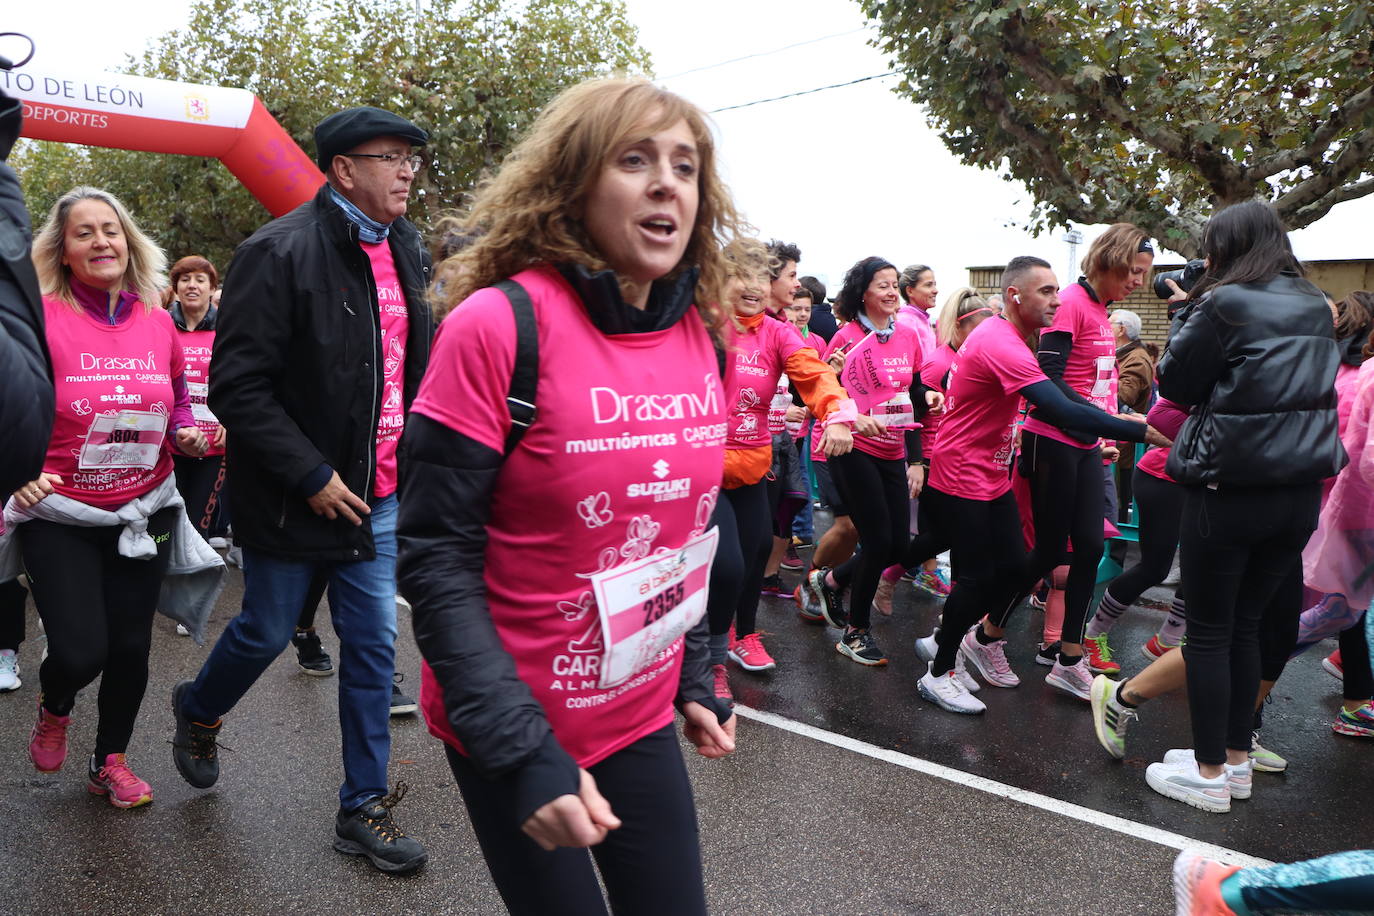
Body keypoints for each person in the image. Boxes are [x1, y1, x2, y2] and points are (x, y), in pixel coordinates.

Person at [397, 78, 739, 915]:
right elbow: (436, 558)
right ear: (574, 186)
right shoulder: (497, 326)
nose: (668, 184)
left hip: (639, 708)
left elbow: (675, 533)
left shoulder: (704, 336)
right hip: (513, 720)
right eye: (636, 160)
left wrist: (692, 671)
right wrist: (519, 752)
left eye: (686, 167)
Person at [170, 106, 432, 872]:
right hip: (295, 495)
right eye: (391, 157)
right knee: (265, 629)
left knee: (374, 646)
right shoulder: (275, 251)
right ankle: (199, 708)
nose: (408, 170)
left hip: (378, 497)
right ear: (344, 169)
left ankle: (363, 808)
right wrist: (311, 473)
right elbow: (238, 386)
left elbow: (411, 366)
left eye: (413, 157)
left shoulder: (408, 247)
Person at [7, 186, 210, 808]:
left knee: (129, 646)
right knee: (81, 649)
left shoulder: (156, 317)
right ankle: (56, 700)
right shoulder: (38, 317)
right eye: (84, 233)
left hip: (142, 509)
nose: (101, 241)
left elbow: (175, 397)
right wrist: (15, 471)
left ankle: (109, 761)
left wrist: (187, 431)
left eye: (111, 229)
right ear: (62, 251)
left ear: (128, 240)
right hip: (60, 510)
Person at [1143, 200, 1344, 814]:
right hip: (1299, 491)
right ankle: (1234, 762)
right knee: (1249, 626)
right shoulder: (1315, 303)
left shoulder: (1223, 302)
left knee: (1208, 631)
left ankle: (1207, 772)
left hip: (1228, 486)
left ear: (1224, 247)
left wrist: (1185, 309)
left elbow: (1174, 383)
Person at [910, 256, 1164, 714]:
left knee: (1012, 570)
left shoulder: (1018, 337)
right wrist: (1139, 430)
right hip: (961, 472)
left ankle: (947, 643)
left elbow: (1065, 396)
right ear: (1015, 296)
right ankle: (939, 668)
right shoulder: (999, 341)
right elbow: (1060, 409)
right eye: (1045, 291)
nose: (1056, 298)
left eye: (1055, 289)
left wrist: (1112, 425)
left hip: (991, 472)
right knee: (977, 577)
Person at [981, 224, 1156, 695]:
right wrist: (1109, 425)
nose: (1139, 282)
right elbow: (1049, 379)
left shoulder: (1101, 311)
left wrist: (1106, 421)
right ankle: (985, 634)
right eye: (1134, 273)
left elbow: (1092, 387)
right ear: (1111, 262)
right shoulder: (1073, 304)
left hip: (1084, 445)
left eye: (1144, 275)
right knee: (1050, 554)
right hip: (1051, 441)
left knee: (1090, 552)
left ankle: (1069, 658)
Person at [708, 238, 855, 693]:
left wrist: (838, 415)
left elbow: (813, 374)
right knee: (727, 564)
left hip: (753, 465)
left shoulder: (776, 332)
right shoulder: (702, 325)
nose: (751, 287)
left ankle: (744, 634)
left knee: (755, 556)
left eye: (759, 277)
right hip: (702, 468)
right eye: (740, 276)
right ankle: (709, 659)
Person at [807, 257, 941, 666]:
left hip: (893, 449)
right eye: (880, 285)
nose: (889, 292)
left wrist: (926, 402)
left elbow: (911, 391)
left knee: (900, 545)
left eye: (892, 285)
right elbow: (822, 393)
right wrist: (849, 417)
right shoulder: (846, 338)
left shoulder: (906, 335)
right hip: (852, 451)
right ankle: (855, 632)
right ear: (863, 292)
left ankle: (830, 580)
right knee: (878, 540)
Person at [167, 256, 227, 544]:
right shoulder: (160, 327)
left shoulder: (228, 330)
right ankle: (159, 583)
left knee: (196, 530)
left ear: (211, 287)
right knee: (164, 526)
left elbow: (240, 381)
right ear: (175, 287)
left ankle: (193, 587)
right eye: (185, 279)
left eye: (200, 280)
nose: (192, 285)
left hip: (214, 448)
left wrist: (232, 421)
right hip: (167, 445)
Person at [1110, 309, 1154, 414]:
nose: (1103, 328)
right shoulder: (1128, 355)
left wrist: (1102, 373)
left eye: (1109, 324)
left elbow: (1126, 396)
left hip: (1121, 426)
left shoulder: (1138, 359)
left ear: (1121, 330)